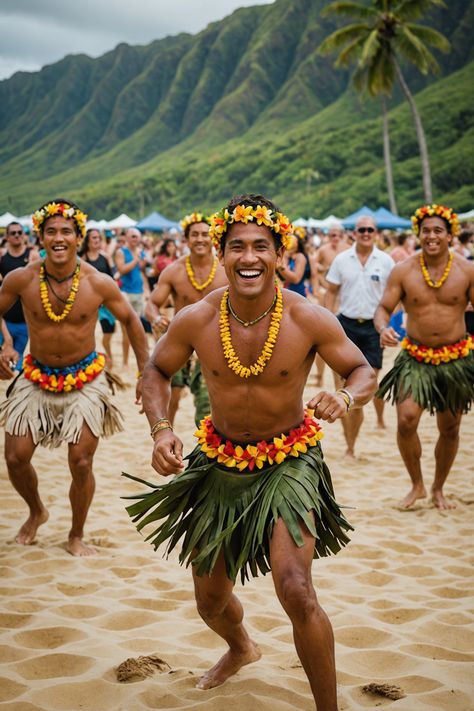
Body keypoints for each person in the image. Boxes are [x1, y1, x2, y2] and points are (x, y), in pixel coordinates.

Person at [124, 194, 376, 710]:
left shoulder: (308, 316)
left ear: (279, 254)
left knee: (296, 588)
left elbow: (363, 369)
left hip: (290, 461)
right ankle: (241, 647)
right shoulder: (198, 317)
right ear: (222, 254)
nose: (249, 257)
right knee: (210, 599)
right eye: (237, 246)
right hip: (219, 464)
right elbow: (155, 371)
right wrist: (161, 429)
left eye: (261, 246)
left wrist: (345, 396)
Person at [0, 199, 149, 556]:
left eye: (66, 231)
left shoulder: (98, 283)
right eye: (51, 231)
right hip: (36, 375)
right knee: (16, 457)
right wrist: (3, 345)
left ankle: (76, 534)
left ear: (78, 238)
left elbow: (131, 321)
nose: (59, 237)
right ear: (40, 237)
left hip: (86, 378)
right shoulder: (21, 279)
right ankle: (37, 511)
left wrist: (146, 372)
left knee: (80, 461)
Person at [375, 204, 474, 510]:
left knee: (450, 428)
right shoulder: (404, 270)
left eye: (438, 231)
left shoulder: (466, 270)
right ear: (418, 234)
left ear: (450, 235)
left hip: (455, 360)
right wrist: (382, 328)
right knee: (406, 421)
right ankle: (416, 484)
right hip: (415, 357)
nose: (431, 236)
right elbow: (384, 309)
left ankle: (438, 488)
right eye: (426, 231)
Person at [145, 212, 227, 426]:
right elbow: (152, 303)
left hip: (215, 343)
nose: (200, 239)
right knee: (172, 393)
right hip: (179, 339)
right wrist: (155, 319)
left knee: (206, 401)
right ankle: (165, 434)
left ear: (213, 238)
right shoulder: (174, 271)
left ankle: (207, 445)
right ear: (186, 239)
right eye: (194, 235)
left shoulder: (225, 271)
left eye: (204, 234)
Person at [325, 215, 394, 457]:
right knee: (342, 390)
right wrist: (327, 319)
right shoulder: (342, 260)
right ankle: (350, 445)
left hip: (374, 328)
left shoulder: (386, 261)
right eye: (361, 229)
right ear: (354, 232)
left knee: (363, 390)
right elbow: (331, 292)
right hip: (345, 326)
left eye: (370, 230)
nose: (366, 233)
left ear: (376, 233)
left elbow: (393, 297)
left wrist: (390, 325)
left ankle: (352, 441)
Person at [310, 223, 349, 386]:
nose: (335, 238)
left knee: (342, 337)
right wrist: (317, 288)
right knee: (322, 335)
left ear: (342, 235)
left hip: (344, 296)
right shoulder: (323, 250)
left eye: (337, 235)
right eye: (332, 235)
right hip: (326, 294)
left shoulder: (348, 248)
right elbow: (313, 269)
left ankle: (343, 375)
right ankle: (319, 375)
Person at [0, 222, 39, 368]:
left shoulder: (32, 255)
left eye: (19, 232)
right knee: (3, 360)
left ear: (24, 235)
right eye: (13, 233)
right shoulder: (2, 256)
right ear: (7, 237)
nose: (17, 235)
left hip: (25, 319)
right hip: (5, 318)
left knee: (17, 362)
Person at [79, 228, 116, 368]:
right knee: (89, 332)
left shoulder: (105, 257)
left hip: (104, 302)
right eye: (94, 238)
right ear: (87, 242)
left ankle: (109, 357)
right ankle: (90, 359)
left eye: (98, 238)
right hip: (87, 301)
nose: (97, 240)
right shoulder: (82, 258)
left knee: (109, 332)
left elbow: (111, 278)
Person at [114, 227, 149, 368]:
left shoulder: (140, 252)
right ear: (127, 237)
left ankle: (140, 359)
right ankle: (125, 361)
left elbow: (140, 271)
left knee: (139, 328)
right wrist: (136, 260)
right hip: (126, 293)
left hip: (139, 292)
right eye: (133, 236)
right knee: (126, 329)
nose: (136, 239)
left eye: (137, 237)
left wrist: (143, 263)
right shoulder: (121, 252)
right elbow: (121, 270)